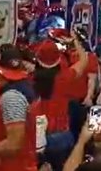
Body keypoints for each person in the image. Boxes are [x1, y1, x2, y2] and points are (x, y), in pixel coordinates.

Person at [34, 37, 88, 171]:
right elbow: (84, 60)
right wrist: (75, 40)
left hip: (36, 138)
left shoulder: (30, 79)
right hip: (62, 136)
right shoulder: (65, 77)